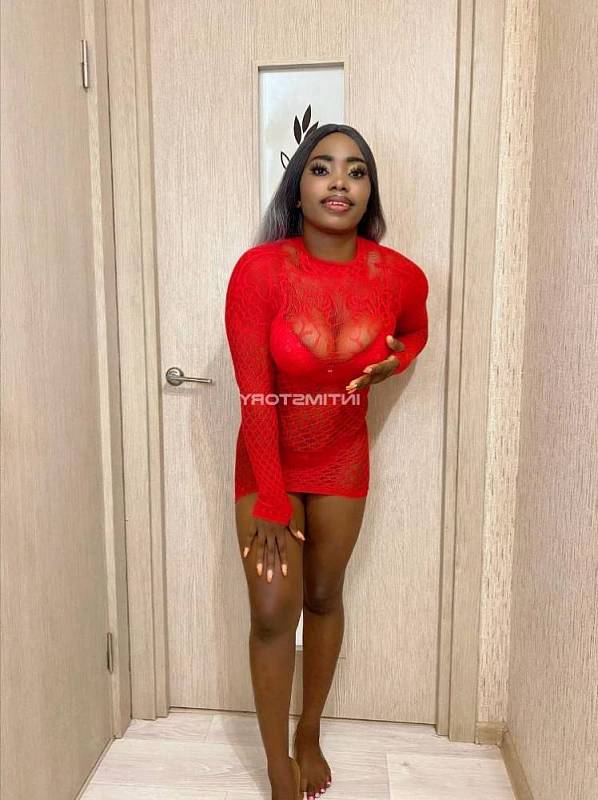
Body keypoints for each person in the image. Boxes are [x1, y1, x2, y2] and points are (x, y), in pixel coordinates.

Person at [224, 123, 429, 800]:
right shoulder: (259, 272)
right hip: (267, 461)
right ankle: (277, 770)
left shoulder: (399, 275)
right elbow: (254, 393)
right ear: (298, 187)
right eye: (322, 167)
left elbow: (415, 328)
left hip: (342, 460)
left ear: (369, 191)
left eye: (356, 170)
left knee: (322, 596)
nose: (339, 180)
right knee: (271, 611)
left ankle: (308, 732)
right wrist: (272, 498)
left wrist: (399, 359)